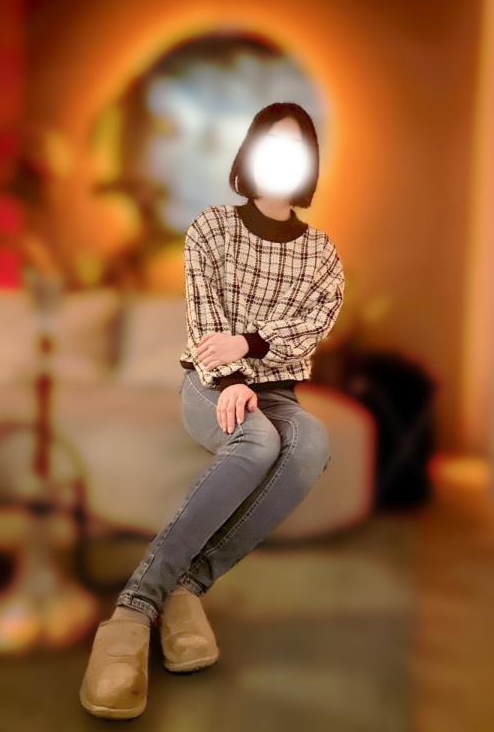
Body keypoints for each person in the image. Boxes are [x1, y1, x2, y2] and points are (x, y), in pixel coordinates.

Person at [79, 101, 345, 719]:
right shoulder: (212, 229)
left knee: (310, 442)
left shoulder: (322, 254)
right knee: (257, 441)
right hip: (206, 380)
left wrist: (248, 345)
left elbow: (311, 329)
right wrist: (229, 377)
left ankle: (186, 588)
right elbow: (206, 321)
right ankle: (134, 609)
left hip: (277, 390)